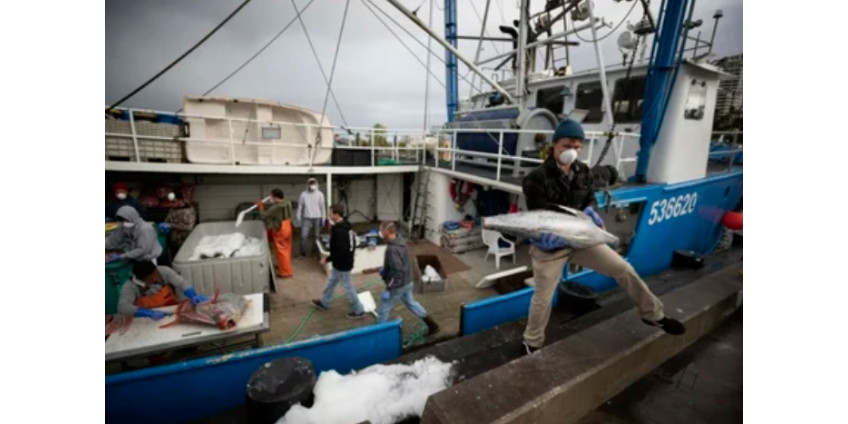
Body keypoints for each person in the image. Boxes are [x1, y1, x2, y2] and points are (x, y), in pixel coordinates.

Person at [520, 119, 686, 355]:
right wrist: (545, 234)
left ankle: (653, 315)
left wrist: (591, 212)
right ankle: (532, 342)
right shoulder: (535, 177)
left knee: (623, 268)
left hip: (580, 239)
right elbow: (540, 213)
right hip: (551, 246)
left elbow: (589, 199)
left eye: (577, 147)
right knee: (543, 297)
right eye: (566, 145)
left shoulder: (583, 171)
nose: (572, 151)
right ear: (553, 145)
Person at [375, 221, 440, 336]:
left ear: (387, 232)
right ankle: (432, 325)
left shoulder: (392, 250)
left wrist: (389, 288)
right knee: (411, 303)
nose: (379, 233)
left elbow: (398, 271)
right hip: (408, 281)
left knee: (384, 306)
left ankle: (379, 334)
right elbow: (401, 264)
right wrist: (385, 269)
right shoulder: (401, 241)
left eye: (381, 230)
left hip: (398, 285)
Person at [310, 204, 366, 319]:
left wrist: (327, 259)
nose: (329, 215)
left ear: (336, 214)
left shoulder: (340, 231)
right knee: (331, 282)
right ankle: (325, 302)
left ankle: (359, 310)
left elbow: (340, 251)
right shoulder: (347, 227)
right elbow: (352, 244)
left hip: (343, 264)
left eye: (330, 213)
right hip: (343, 262)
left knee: (348, 287)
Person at [117, 260, 208, 320]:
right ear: (142, 279)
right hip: (148, 320)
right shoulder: (129, 286)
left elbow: (181, 282)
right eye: (150, 279)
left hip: (172, 312)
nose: (155, 279)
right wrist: (148, 313)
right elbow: (122, 307)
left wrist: (193, 295)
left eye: (155, 274)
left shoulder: (164, 271)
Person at [258, 188, 294, 278]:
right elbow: (274, 206)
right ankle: (284, 266)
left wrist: (261, 207)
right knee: (287, 249)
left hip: (280, 229)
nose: (270, 198)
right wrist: (266, 204)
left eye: (271, 196)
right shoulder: (287, 202)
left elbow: (264, 215)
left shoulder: (276, 207)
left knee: (281, 251)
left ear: (275, 197)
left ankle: (285, 272)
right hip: (288, 226)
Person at [297, 177, 327, 258]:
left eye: (313, 184)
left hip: (317, 217)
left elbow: (322, 207)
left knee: (317, 237)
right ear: (308, 184)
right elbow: (300, 206)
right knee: (303, 236)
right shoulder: (303, 194)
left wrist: (324, 218)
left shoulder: (320, 194)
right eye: (311, 184)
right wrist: (298, 217)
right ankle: (302, 254)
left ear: (316, 184)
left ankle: (314, 253)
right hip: (306, 218)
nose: (312, 185)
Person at [164, 191, 197, 257]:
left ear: (181, 200)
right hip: (174, 240)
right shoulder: (173, 209)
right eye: (170, 202)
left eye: (173, 202)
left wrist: (171, 225)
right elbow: (168, 219)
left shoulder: (188, 212)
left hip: (184, 241)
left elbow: (189, 227)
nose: (171, 204)